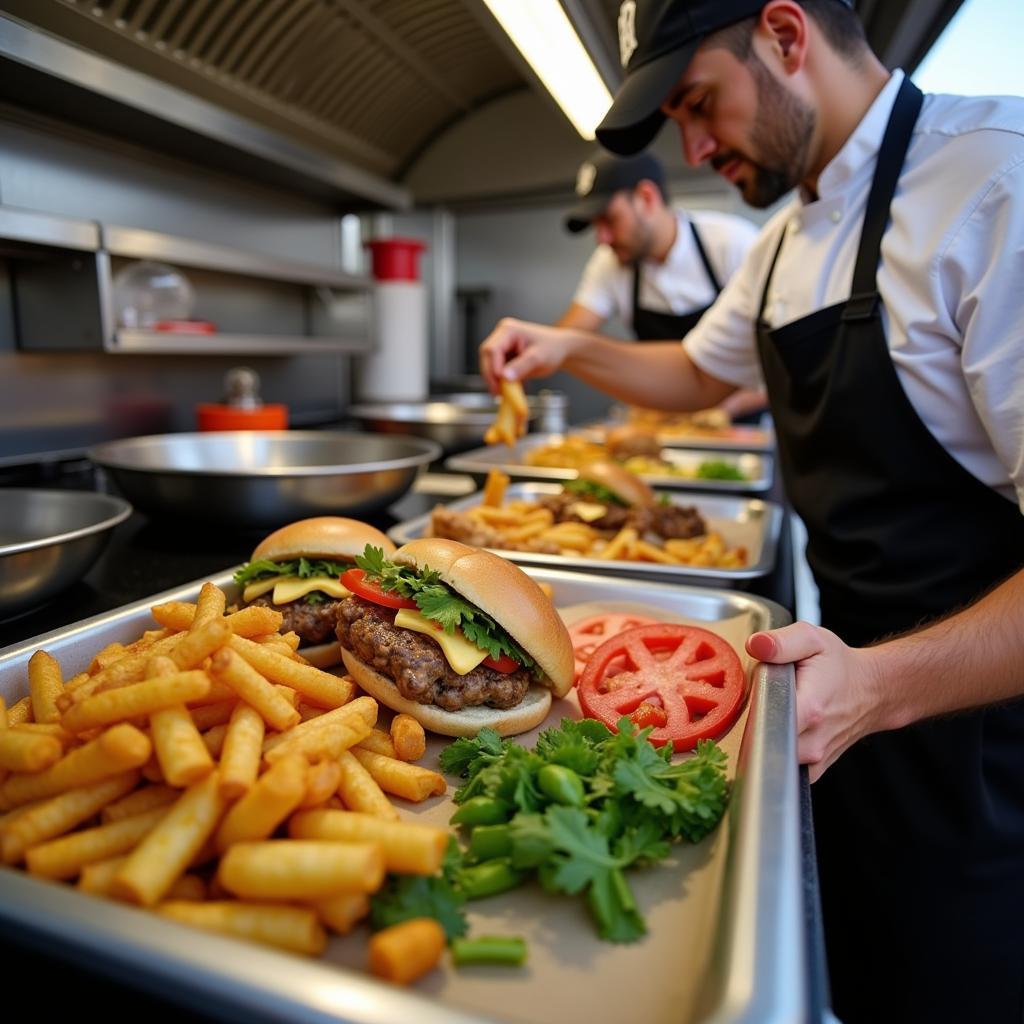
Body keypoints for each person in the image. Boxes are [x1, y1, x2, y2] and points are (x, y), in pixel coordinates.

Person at [479, 1, 1024, 1021]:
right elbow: (692, 370)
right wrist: (567, 348)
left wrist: (879, 684)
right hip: (844, 690)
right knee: (854, 962)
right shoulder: (784, 240)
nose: (691, 148)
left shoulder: (993, 182)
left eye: (699, 105)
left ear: (784, 35)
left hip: (979, 737)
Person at [559, 149, 767, 423]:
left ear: (646, 198)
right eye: (595, 226)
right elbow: (568, 336)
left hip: (741, 426)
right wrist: (536, 347)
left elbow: (781, 359)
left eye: (609, 219)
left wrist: (728, 407)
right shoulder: (610, 263)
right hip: (663, 423)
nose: (602, 238)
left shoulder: (732, 243)